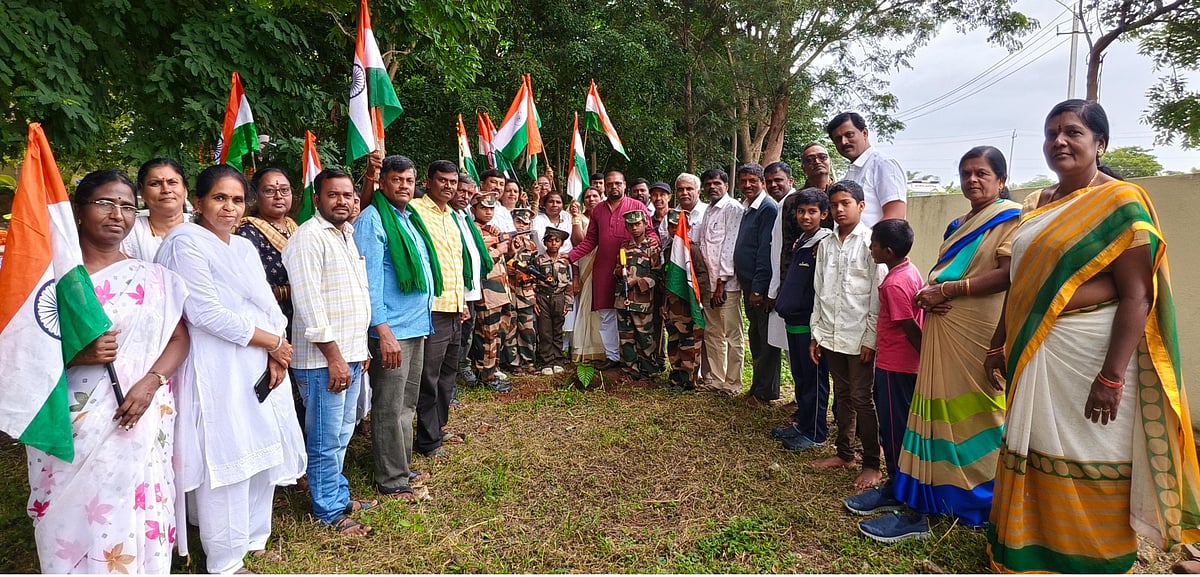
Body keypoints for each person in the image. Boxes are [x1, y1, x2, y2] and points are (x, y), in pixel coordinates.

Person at [985, 100, 1200, 572]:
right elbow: (1021, 282)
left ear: (1099, 143)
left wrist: (1112, 377)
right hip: (1034, 349)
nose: (1059, 141)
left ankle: (1090, 560)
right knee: (1031, 444)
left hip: (1089, 357)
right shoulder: (1037, 204)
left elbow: (1138, 296)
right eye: (1051, 133)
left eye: (1073, 132)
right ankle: (1026, 550)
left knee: (1087, 456)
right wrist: (1000, 341)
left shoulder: (1121, 202)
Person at [27, 170, 190, 574]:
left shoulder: (153, 278)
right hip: (67, 418)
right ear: (79, 212)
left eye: (126, 206)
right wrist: (74, 354)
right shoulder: (50, 282)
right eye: (104, 202)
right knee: (72, 509)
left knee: (133, 500)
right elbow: (18, 348)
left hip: (139, 412)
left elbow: (178, 340)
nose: (117, 213)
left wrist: (151, 384)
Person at [156, 165, 306, 574]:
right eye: (220, 198)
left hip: (258, 363)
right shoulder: (184, 241)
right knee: (227, 458)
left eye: (237, 199)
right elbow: (205, 313)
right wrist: (273, 343)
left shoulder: (241, 246)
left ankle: (254, 537)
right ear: (198, 202)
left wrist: (276, 352)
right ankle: (224, 558)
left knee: (262, 449)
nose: (229, 207)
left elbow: (269, 305)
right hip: (215, 366)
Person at [887, 146, 1021, 535]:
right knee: (936, 410)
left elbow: (1007, 274)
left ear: (1001, 180)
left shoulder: (1011, 219)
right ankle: (930, 497)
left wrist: (947, 291)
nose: (972, 180)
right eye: (966, 174)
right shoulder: (958, 224)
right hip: (944, 331)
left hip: (978, 330)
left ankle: (980, 500)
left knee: (980, 411)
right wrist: (933, 292)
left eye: (982, 173)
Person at [282, 168, 374, 536]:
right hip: (324, 361)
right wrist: (335, 357)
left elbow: (354, 299)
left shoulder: (346, 235)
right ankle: (328, 510)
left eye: (348, 195)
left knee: (342, 433)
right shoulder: (308, 238)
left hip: (349, 354)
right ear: (316, 199)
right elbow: (309, 305)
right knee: (324, 437)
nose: (342, 202)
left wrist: (359, 349)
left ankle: (337, 493)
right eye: (333, 195)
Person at [353, 154, 437, 503]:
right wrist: (382, 330)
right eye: (397, 179)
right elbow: (369, 281)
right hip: (392, 330)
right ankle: (391, 479)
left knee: (407, 402)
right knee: (389, 405)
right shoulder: (373, 220)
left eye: (409, 180)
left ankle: (401, 464)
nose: (405, 186)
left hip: (416, 326)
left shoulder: (409, 217)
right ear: (383, 182)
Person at [847, 219, 926, 542]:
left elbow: (909, 328)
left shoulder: (894, 284)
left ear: (888, 251)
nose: (870, 248)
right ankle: (896, 487)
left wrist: (927, 356)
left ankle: (902, 494)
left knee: (894, 433)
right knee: (897, 430)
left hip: (897, 367)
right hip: (904, 366)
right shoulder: (908, 271)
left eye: (874, 244)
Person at [808, 180, 886, 491]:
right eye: (835, 204)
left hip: (859, 339)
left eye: (846, 203)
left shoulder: (871, 243)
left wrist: (871, 338)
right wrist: (817, 334)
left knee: (862, 399)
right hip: (831, 334)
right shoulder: (825, 244)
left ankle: (871, 463)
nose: (839, 210)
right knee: (841, 396)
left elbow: (877, 296)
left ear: (861, 206)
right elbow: (820, 292)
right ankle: (844, 454)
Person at [408, 161, 469, 458]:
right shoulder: (415, 209)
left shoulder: (453, 216)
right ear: (429, 182)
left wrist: (463, 303)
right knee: (428, 378)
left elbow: (455, 263)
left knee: (448, 375)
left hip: (455, 308)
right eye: (442, 180)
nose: (448, 186)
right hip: (432, 309)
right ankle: (428, 440)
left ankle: (438, 429)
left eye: (453, 181)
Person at [568, 171, 656, 370]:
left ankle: (638, 361)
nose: (614, 187)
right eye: (609, 184)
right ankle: (613, 357)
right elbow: (590, 240)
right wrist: (570, 257)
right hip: (605, 269)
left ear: (624, 185)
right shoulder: (598, 210)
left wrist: (653, 251)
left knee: (634, 316)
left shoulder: (637, 206)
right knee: (606, 315)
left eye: (618, 183)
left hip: (634, 270)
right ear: (604, 187)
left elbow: (650, 233)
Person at [771, 188, 832, 451]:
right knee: (800, 376)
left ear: (824, 214)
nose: (805, 216)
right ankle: (802, 424)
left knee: (813, 379)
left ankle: (816, 433)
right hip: (794, 323)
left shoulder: (824, 244)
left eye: (812, 212)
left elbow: (823, 290)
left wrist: (818, 331)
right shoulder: (802, 241)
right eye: (801, 211)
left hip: (810, 326)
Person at [733, 163, 780, 405]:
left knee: (765, 339)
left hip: (758, 286)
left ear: (762, 182)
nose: (748, 185)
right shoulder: (748, 208)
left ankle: (765, 393)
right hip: (748, 284)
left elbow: (765, 251)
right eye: (744, 181)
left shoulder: (767, 208)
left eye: (753, 181)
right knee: (757, 336)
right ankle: (758, 387)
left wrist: (759, 288)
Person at [697, 168, 744, 396]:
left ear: (726, 185)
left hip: (726, 286)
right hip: (709, 284)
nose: (712, 187)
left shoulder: (733, 208)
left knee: (732, 335)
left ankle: (733, 383)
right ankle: (716, 379)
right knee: (713, 333)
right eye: (708, 184)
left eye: (716, 183)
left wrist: (721, 282)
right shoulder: (708, 210)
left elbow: (730, 246)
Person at [826, 112, 906, 225]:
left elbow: (895, 216)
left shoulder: (882, 164)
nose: (844, 142)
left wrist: (874, 243)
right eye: (838, 139)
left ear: (864, 133)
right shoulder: (850, 174)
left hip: (875, 242)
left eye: (849, 135)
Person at [662, 208, 710, 391]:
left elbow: (702, 276)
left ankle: (688, 379)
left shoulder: (692, 250)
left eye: (678, 226)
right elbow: (665, 280)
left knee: (689, 344)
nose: (675, 230)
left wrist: (699, 302)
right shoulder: (668, 250)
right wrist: (664, 305)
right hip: (672, 308)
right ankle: (676, 377)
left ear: (687, 227)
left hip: (688, 306)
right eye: (672, 227)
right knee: (674, 343)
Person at [470, 193, 514, 393]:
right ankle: (486, 375)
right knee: (488, 335)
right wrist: (499, 249)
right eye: (484, 208)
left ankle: (492, 369)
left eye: (491, 208)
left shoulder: (491, 230)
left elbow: (507, 257)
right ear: (474, 210)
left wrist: (508, 248)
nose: (488, 212)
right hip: (487, 292)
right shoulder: (472, 232)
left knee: (500, 332)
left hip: (500, 290)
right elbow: (478, 261)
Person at [614, 210, 662, 381]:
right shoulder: (624, 246)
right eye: (631, 225)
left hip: (642, 300)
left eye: (637, 224)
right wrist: (620, 272)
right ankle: (630, 370)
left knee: (644, 336)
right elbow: (617, 269)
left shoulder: (652, 247)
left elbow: (657, 274)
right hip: (623, 299)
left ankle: (649, 371)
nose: (634, 228)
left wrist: (639, 282)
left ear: (645, 224)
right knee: (626, 337)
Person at [454, 174, 487, 388]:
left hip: (472, 289)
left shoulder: (465, 217)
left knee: (466, 335)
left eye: (469, 193)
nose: (465, 196)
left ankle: (462, 368)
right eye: (462, 191)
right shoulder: (446, 216)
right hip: (457, 292)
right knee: (454, 339)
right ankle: (450, 383)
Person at [764, 161, 799, 362]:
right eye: (769, 182)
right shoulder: (778, 206)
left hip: (790, 284)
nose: (773, 185)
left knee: (796, 345)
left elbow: (785, 253)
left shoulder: (795, 204)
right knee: (787, 344)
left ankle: (805, 393)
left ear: (790, 180)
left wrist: (774, 290)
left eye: (778, 180)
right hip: (778, 284)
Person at [122, 158, 190, 261]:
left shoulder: (202, 225)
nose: (166, 190)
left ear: (185, 190)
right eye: (155, 184)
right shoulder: (129, 231)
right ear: (142, 194)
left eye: (172, 182)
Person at [568, 186, 605, 361]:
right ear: (583, 201)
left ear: (601, 197)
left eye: (595, 196)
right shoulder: (580, 218)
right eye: (588, 197)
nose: (591, 199)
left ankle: (604, 348)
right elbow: (580, 242)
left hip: (604, 264)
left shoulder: (607, 217)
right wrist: (576, 218)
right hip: (586, 264)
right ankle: (585, 347)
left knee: (602, 307)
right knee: (586, 303)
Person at [502, 207, 540, 375]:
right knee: (510, 328)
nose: (522, 226)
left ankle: (528, 361)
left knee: (527, 328)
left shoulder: (531, 246)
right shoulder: (504, 242)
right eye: (519, 222)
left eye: (525, 223)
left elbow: (535, 269)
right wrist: (506, 269)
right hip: (508, 290)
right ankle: (513, 362)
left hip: (525, 292)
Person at [536, 228, 573, 374]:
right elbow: (533, 282)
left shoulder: (564, 262)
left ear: (562, 243)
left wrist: (568, 303)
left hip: (559, 297)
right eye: (550, 240)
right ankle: (547, 362)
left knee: (558, 330)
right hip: (543, 298)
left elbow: (569, 284)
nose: (553, 243)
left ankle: (558, 360)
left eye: (557, 241)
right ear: (545, 242)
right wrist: (534, 301)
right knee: (545, 331)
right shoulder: (539, 260)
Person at [532, 190, 573, 255]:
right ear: (545, 204)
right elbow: (532, 218)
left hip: (565, 260)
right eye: (551, 202)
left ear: (563, 205)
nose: (554, 205)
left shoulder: (567, 217)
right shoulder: (538, 219)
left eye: (558, 202)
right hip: (542, 261)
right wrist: (536, 199)